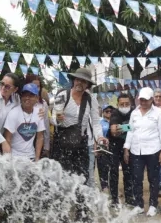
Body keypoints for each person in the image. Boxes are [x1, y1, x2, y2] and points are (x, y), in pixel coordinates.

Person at [51, 68, 106, 222]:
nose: (80, 83)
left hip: (81, 145)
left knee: (83, 179)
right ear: (73, 80)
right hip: (62, 145)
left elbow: (96, 122)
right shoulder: (63, 95)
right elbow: (53, 119)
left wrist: (100, 137)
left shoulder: (91, 99)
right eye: (78, 79)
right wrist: (58, 119)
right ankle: (61, 215)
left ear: (88, 84)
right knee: (62, 179)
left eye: (83, 81)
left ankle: (82, 214)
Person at [124, 87, 161, 217]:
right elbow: (130, 130)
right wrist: (126, 148)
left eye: (146, 100)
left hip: (153, 151)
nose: (143, 102)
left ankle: (153, 205)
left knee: (153, 179)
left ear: (152, 100)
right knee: (137, 178)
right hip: (136, 151)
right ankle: (139, 205)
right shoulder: (134, 113)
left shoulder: (158, 112)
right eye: (141, 100)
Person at [4, 83, 45, 161]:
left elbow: (40, 137)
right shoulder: (13, 113)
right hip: (15, 157)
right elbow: (7, 138)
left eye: (31, 95)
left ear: (37, 98)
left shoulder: (39, 113)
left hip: (31, 157)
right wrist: (8, 159)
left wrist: (37, 158)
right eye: (24, 95)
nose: (27, 98)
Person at [108, 93, 135, 207]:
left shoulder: (135, 113)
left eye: (127, 104)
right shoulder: (115, 113)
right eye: (122, 104)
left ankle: (129, 198)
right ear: (117, 104)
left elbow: (136, 127)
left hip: (129, 147)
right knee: (113, 172)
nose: (124, 106)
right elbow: (114, 129)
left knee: (128, 172)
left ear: (131, 104)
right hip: (114, 146)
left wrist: (125, 128)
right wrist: (125, 128)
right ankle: (114, 200)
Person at [25, 74, 50, 157]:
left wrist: (46, 146)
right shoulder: (20, 101)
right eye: (33, 85)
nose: (35, 88)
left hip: (37, 140)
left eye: (38, 86)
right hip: (21, 140)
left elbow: (46, 125)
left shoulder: (43, 104)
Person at [95, 104, 114, 191]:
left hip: (113, 147)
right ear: (103, 112)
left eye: (111, 111)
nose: (109, 113)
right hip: (102, 147)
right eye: (107, 111)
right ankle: (104, 185)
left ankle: (113, 185)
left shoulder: (115, 121)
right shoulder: (99, 122)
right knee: (103, 167)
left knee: (113, 167)